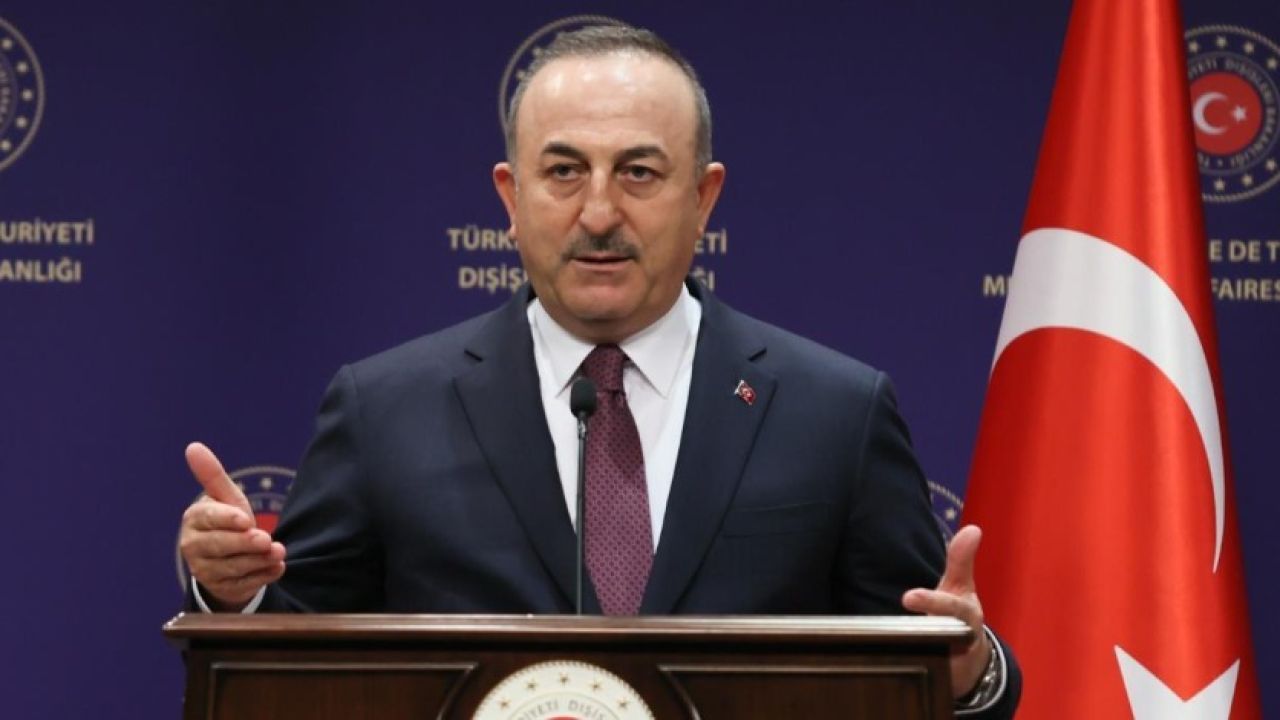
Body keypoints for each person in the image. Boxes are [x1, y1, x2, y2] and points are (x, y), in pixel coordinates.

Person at [178, 25, 1020, 716]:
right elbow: (290, 665)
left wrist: (967, 670)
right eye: (564, 172)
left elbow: (930, 667)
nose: (600, 212)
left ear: (704, 198)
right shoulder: (383, 410)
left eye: (639, 173)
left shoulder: (835, 411)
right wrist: (233, 596)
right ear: (510, 199)